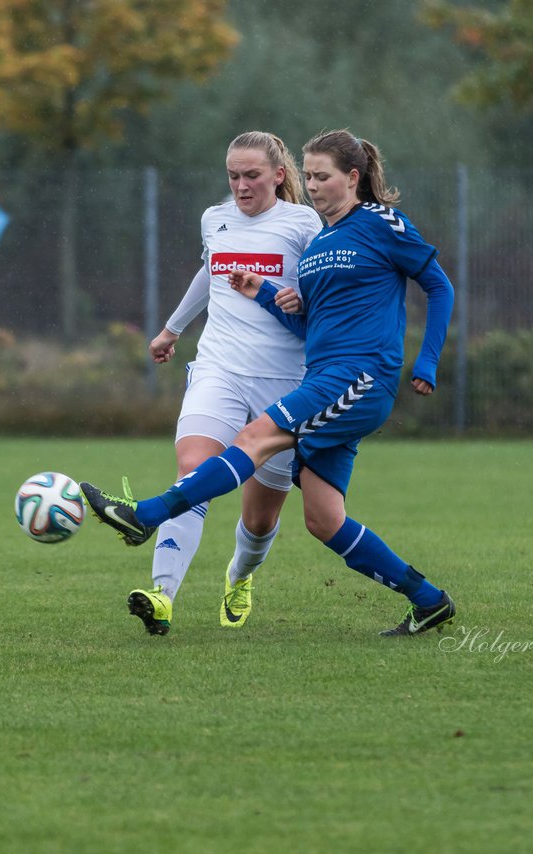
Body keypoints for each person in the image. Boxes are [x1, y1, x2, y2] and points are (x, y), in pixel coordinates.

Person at [81, 130, 456, 636]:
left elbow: (438, 283)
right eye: (312, 175)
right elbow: (312, 329)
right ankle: (429, 600)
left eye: (323, 176)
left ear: (353, 177)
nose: (315, 185)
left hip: (359, 376)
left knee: (255, 438)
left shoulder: (378, 222)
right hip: (325, 376)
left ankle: (146, 515)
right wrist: (264, 295)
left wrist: (427, 361)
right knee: (324, 519)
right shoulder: (322, 242)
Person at [126, 131, 322, 636]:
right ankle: (161, 595)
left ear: (278, 175)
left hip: (284, 382)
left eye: (251, 175)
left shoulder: (302, 223)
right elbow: (209, 272)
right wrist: (172, 329)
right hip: (220, 368)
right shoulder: (215, 219)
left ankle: (239, 575)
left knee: (258, 519)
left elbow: (323, 293)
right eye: (233, 176)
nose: (240, 185)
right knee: (193, 471)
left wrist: (297, 299)